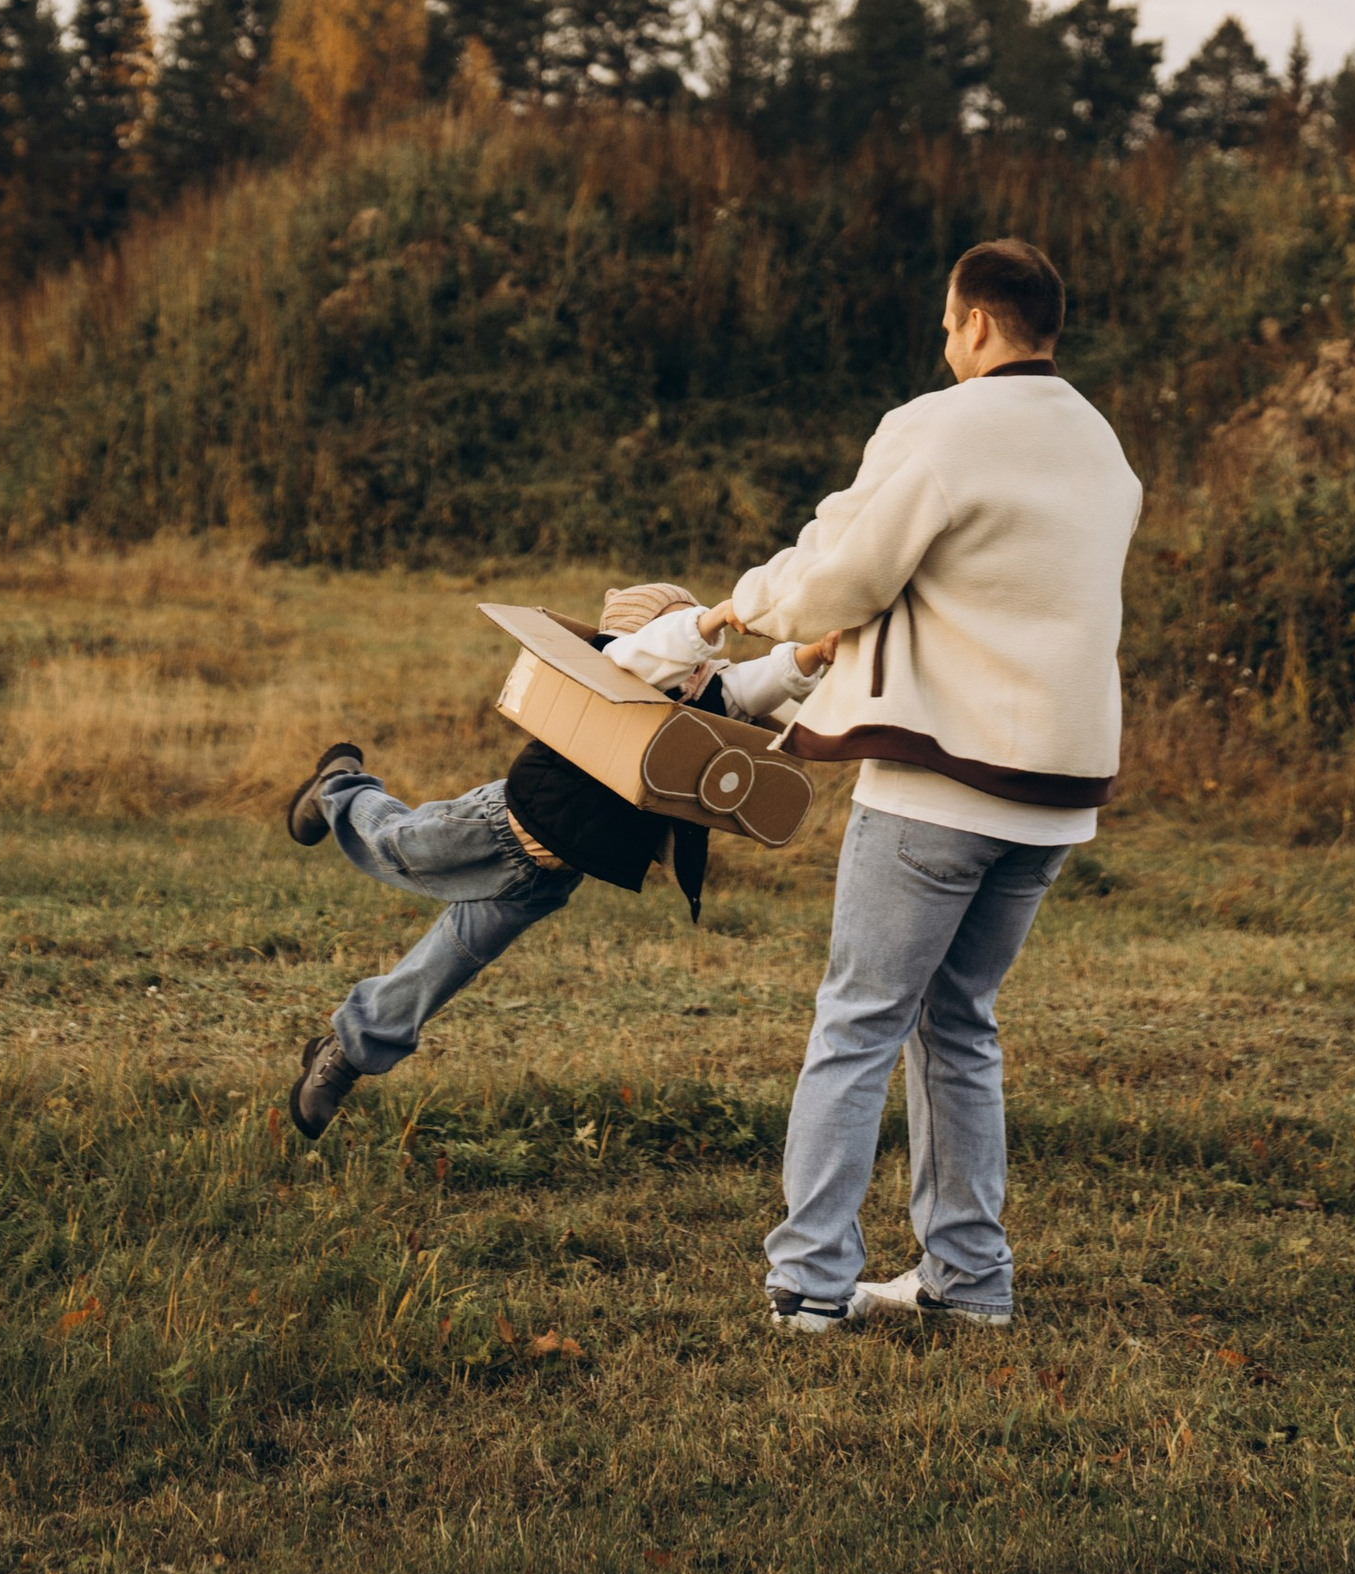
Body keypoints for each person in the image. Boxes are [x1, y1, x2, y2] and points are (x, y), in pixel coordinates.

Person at [702, 237, 1143, 1335]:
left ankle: (808, 1283)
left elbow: (847, 572)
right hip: (1053, 796)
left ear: (979, 323)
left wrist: (743, 605)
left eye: (949, 326)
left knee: (856, 1022)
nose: (944, 346)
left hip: (940, 782)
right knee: (958, 1024)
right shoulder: (1101, 445)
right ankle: (968, 1282)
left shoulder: (938, 426)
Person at [278, 586, 827, 1140]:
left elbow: (762, 682)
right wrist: (714, 617)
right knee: (399, 842)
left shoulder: (709, 697)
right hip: (499, 826)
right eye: (684, 627)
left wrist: (815, 654)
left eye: (702, 632)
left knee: (443, 968)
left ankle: (347, 1050)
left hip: (547, 876)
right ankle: (341, 787)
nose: (701, 646)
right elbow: (650, 652)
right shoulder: (620, 665)